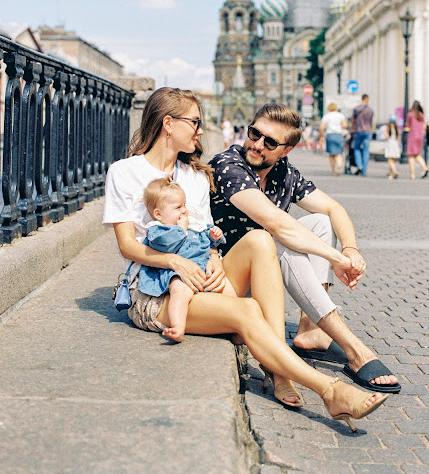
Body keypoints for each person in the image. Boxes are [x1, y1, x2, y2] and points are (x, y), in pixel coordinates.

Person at [103, 88, 389, 431]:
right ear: (168, 124)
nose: (200, 131)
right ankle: (329, 390)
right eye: (194, 122)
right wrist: (174, 262)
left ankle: (281, 364)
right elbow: (127, 246)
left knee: (260, 239)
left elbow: (206, 232)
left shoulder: (196, 176)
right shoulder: (124, 172)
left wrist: (214, 257)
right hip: (156, 292)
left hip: (203, 279)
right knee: (249, 310)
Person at [210, 103, 400, 394]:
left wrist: (351, 250)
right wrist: (336, 258)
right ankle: (355, 348)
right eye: (254, 133)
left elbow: (334, 208)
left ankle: (312, 330)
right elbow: (276, 223)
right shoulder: (228, 165)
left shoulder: (283, 172)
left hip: (262, 278)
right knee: (278, 241)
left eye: (270, 142)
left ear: (286, 150)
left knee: (321, 221)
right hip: (226, 282)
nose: (257, 144)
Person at [139, 178, 228, 341]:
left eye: (184, 204)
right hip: (178, 274)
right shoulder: (158, 230)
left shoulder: (192, 223)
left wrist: (214, 236)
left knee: (224, 286)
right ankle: (178, 326)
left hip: (203, 269)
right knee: (179, 292)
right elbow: (167, 246)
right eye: (178, 207)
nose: (184, 210)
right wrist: (181, 228)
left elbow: (205, 239)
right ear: (158, 214)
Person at [319, 102, 348, 176]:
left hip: (330, 135)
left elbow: (321, 127)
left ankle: (333, 171)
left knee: (331, 155)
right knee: (338, 153)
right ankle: (339, 166)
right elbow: (345, 125)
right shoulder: (340, 115)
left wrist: (322, 135)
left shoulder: (326, 116)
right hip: (338, 135)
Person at [405, 101, 428, 179]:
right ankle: (425, 167)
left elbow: (407, 125)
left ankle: (412, 174)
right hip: (420, 137)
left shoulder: (410, 114)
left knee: (411, 155)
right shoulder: (421, 115)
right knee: (417, 154)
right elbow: (424, 126)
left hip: (412, 136)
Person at [352, 94, 373, 176]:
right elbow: (371, 121)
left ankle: (359, 165)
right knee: (366, 150)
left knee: (356, 148)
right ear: (367, 99)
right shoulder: (370, 110)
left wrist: (353, 128)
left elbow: (353, 119)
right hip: (367, 131)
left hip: (358, 130)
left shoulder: (356, 108)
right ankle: (364, 170)